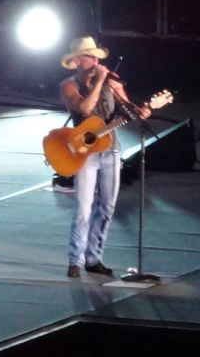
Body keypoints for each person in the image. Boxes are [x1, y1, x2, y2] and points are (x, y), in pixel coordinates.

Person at [59, 36, 150, 278]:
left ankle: (94, 258)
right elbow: (85, 109)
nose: (95, 60)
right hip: (85, 153)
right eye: (89, 56)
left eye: (96, 56)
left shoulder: (112, 82)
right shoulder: (69, 85)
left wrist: (142, 110)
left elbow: (127, 107)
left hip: (111, 149)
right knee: (83, 208)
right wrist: (99, 81)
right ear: (77, 61)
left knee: (107, 206)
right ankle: (75, 260)